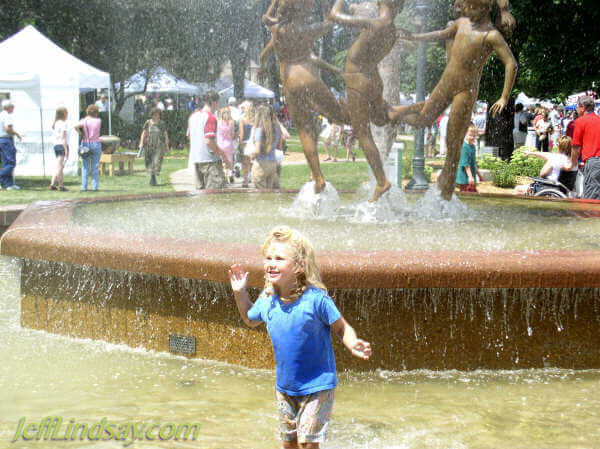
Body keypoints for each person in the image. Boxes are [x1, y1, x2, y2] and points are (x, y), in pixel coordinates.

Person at [228, 225, 371, 449]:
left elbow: (342, 328)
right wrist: (240, 292)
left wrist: (352, 343)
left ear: (299, 266)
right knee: (290, 443)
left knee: (307, 444)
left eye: (279, 258)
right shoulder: (268, 300)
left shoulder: (316, 300)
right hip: (285, 388)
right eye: (268, 258)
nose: (271, 263)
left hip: (318, 386)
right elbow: (249, 317)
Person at [390, 0, 517, 200]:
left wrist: (504, 97)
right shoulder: (462, 23)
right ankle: (394, 112)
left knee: (453, 141)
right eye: (466, 8)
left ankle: (446, 191)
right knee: (422, 120)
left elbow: (511, 64)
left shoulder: (491, 35)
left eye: (471, 8)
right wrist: (414, 36)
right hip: (446, 83)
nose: (466, 12)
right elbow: (440, 34)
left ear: (485, 9)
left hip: (465, 91)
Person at [329, 0, 404, 201]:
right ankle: (401, 112)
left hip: (358, 78)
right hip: (374, 78)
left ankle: (381, 181)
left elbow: (334, 16)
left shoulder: (375, 23)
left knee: (362, 133)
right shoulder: (393, 31)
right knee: (379, 118)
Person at [187, 91, 231, 190]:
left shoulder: (192, 116)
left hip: (196, 161)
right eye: (218, 103)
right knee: (215, 196)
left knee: (201, 197)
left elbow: (189, 136)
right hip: (210, 162)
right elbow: (209, 141)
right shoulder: (211, 118)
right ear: (214, 102)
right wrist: (223, 156)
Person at [571, 95, 600, 199]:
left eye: (577, 107)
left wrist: (573, 164)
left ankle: (592, 216)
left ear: (582, 107)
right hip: (594, 160)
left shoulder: (580, 121)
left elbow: (576, 147)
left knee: (592, 197)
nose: (576, 109)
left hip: (593, 162)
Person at [250, 104, 282, 189]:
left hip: (261, 164)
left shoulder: (259, 129)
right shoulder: (277, 128)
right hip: (272, 164)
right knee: (269, 195)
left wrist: (251, 156)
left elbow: (257, 151)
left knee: (260, 196)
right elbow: (279, 147)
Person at [74, 104, 102, 191]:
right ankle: (94, 187)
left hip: (86, 143)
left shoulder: (84, 121)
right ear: (96, 113)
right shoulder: (98, 121)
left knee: (85, 166)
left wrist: (81, 133)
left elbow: (75, 126)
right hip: (96, 143)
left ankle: (84, 187)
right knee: (95, 166)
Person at [138, 107, 169, 186]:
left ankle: (154, 175)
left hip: (159, 144)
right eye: (154, 115)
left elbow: (165, 134)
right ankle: (153, 177)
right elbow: (144, 133)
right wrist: (141, 143)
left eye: (157, 115)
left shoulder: (162, 123)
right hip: (149, 144)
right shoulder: (148, 122)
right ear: (151, 115)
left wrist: (167, 145)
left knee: (157, 160)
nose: (156, 116)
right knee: (149, 161)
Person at [0, 99, 22, 190]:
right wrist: (16, 134)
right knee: (11, 163)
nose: (13, 108)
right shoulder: (7, 116)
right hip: (6, 139)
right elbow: (7, 128)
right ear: (8, 107)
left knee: (6, 163)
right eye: (12, 106)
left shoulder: (1, 114)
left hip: (1, 140)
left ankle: (9, 184)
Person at [456, 124, 484, 192]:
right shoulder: (464, 147)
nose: (472, 137)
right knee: (467, 194)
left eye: (474, 136)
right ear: (465, 135)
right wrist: (470, 177)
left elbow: (473, 163)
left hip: (471, 176)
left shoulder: (473, 147)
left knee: (473, 195)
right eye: (470, 135)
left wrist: (479, 174)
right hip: (465, 177)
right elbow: (466, 165)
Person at [49, 107, 69, 191]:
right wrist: (66, 149)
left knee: (58, 166)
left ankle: (52, 184)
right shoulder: (63, 124)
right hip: (61, 145)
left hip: (56, 145)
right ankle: (61, 185)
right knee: (60, 167)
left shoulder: (55, 123)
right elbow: (63, 137)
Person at [239, 101, 255, 188]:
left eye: (243, 108)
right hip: (254, 143)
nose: (242, 109)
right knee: (252, 162)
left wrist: (240, 143)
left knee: (245, 163)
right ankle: (252, 177)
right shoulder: (255, 118)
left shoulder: (243, 119)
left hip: (245, 143)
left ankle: (245, 180)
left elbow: (241, 133)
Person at [217, 107, 235, 183]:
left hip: (220, 144)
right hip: (229, 144)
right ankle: (230, 173)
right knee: (230, 160)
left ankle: (224, 175)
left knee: (222, 161)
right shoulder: (231, 122)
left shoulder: (218, 122)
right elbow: (233, 134)